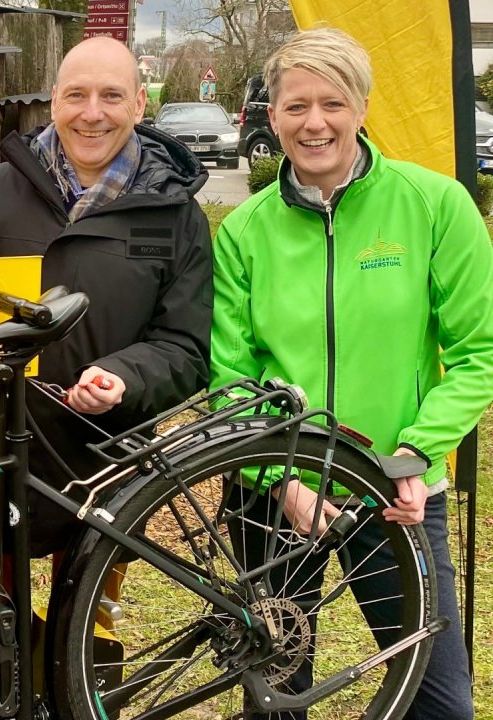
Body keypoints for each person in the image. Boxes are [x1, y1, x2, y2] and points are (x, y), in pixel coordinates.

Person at [211, 27, 492, 719]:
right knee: (274, 701)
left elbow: (478, 352)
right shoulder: (244, 230)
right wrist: (284, 484)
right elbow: (232, 377)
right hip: (274, 496)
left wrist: (413, 455)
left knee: (440, 702)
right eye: (295, 106)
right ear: (271, 116)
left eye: (332, 103)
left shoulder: (435, 204)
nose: (314, 123)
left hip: (395, 491)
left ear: (362, 107)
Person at [0, 36, 213, 554]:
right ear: (54, 100)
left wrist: (123, 378)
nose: (91, 114)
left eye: (112, 96)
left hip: (107, 467)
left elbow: (184, 348)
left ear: (140, 104)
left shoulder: (175, 216)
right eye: (76, 95)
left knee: (82, 630)